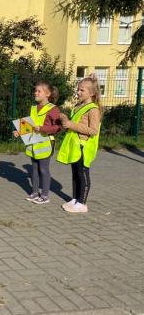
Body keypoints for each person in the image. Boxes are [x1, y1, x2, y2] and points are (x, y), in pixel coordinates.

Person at [57, 74, 102, 213]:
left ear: (92, 93)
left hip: (83, 146)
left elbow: (93, 130)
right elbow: (74, 123)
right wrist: (65, 120)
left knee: (82, 173)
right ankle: (75, 199)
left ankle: (82, 203)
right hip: (74, 145)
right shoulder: (78, 106)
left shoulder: (93, 109)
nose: (78, 92)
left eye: (82, 90)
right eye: (78, 89)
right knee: (75, 173)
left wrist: (71, 125)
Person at [13, 82, 62, 204]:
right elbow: (30, 124)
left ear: (48, 94)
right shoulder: (34, 108)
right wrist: (20, 131)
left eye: (39, 91)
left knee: (43, 170)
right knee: (34, 170)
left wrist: (43, 129)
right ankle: (35, 193)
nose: (35, 93)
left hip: (45, 143)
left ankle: (45, 196)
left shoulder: (53, 109)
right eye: (35, 90)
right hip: (33, 143)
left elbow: (58, 128)